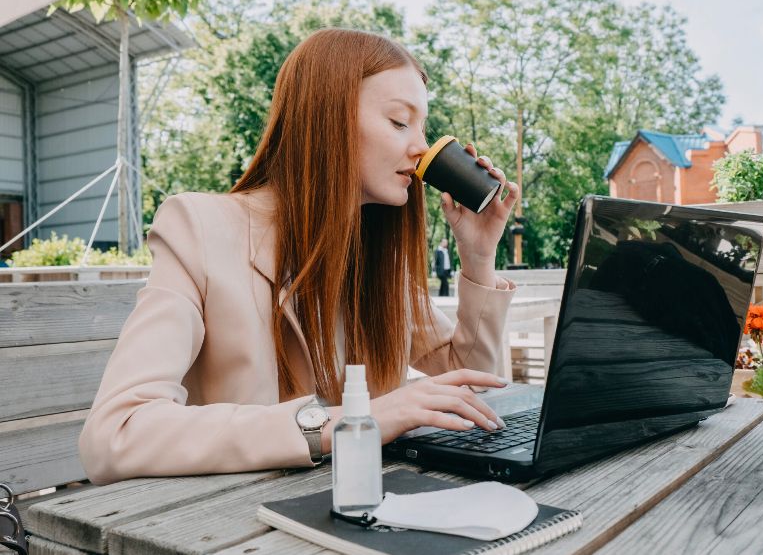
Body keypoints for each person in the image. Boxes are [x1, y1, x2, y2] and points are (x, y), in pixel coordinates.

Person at [78, 28, 520, 484]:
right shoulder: (198, 228)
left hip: (361, 509)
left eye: (423, 127)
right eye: (398, 121)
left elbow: (470, 389)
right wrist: (343, 423)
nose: (420, 148)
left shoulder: (369, 255)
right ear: (324, 117)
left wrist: (479, 255)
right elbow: (117, 433)